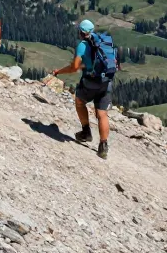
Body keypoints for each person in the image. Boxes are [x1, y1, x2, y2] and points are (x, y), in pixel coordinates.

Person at [50, 19, 118, 159]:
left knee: (80, 101)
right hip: (106, 82)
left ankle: (86, 132)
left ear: (81, 32)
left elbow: (74, 67)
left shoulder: (83, 45)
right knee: (102, 114)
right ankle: (103, 146)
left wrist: (59, 72)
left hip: (90, 82)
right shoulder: (101, 43)